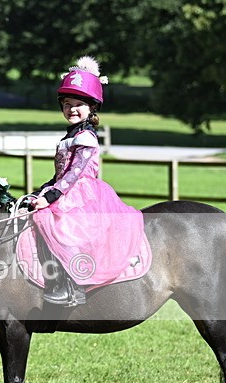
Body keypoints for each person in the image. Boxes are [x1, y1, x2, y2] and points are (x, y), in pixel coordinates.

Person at [30, 56, 146, 306]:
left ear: (91, 108)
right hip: (65, 189)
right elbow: (62, 173)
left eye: (78, 104)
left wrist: (50, 196)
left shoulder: (87, 137)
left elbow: (75, 173)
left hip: (82, 194)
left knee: (56, 225)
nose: (71, 109)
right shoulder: (70, 135)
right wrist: (43, 189)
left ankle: (71, 286)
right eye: (67, 104)